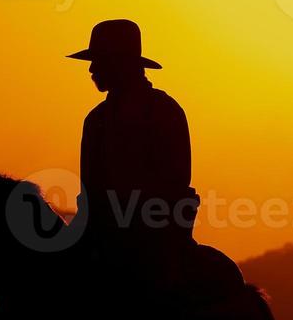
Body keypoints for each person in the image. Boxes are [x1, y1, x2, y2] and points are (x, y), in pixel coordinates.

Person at [68, 20, 198, 299]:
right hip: (104, 231)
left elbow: (175, 181)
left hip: (156, 235)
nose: (91, 69)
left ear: (120, 63)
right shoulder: (97, 119)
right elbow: (89, 191)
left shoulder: (163, 111)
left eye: (99, 61)